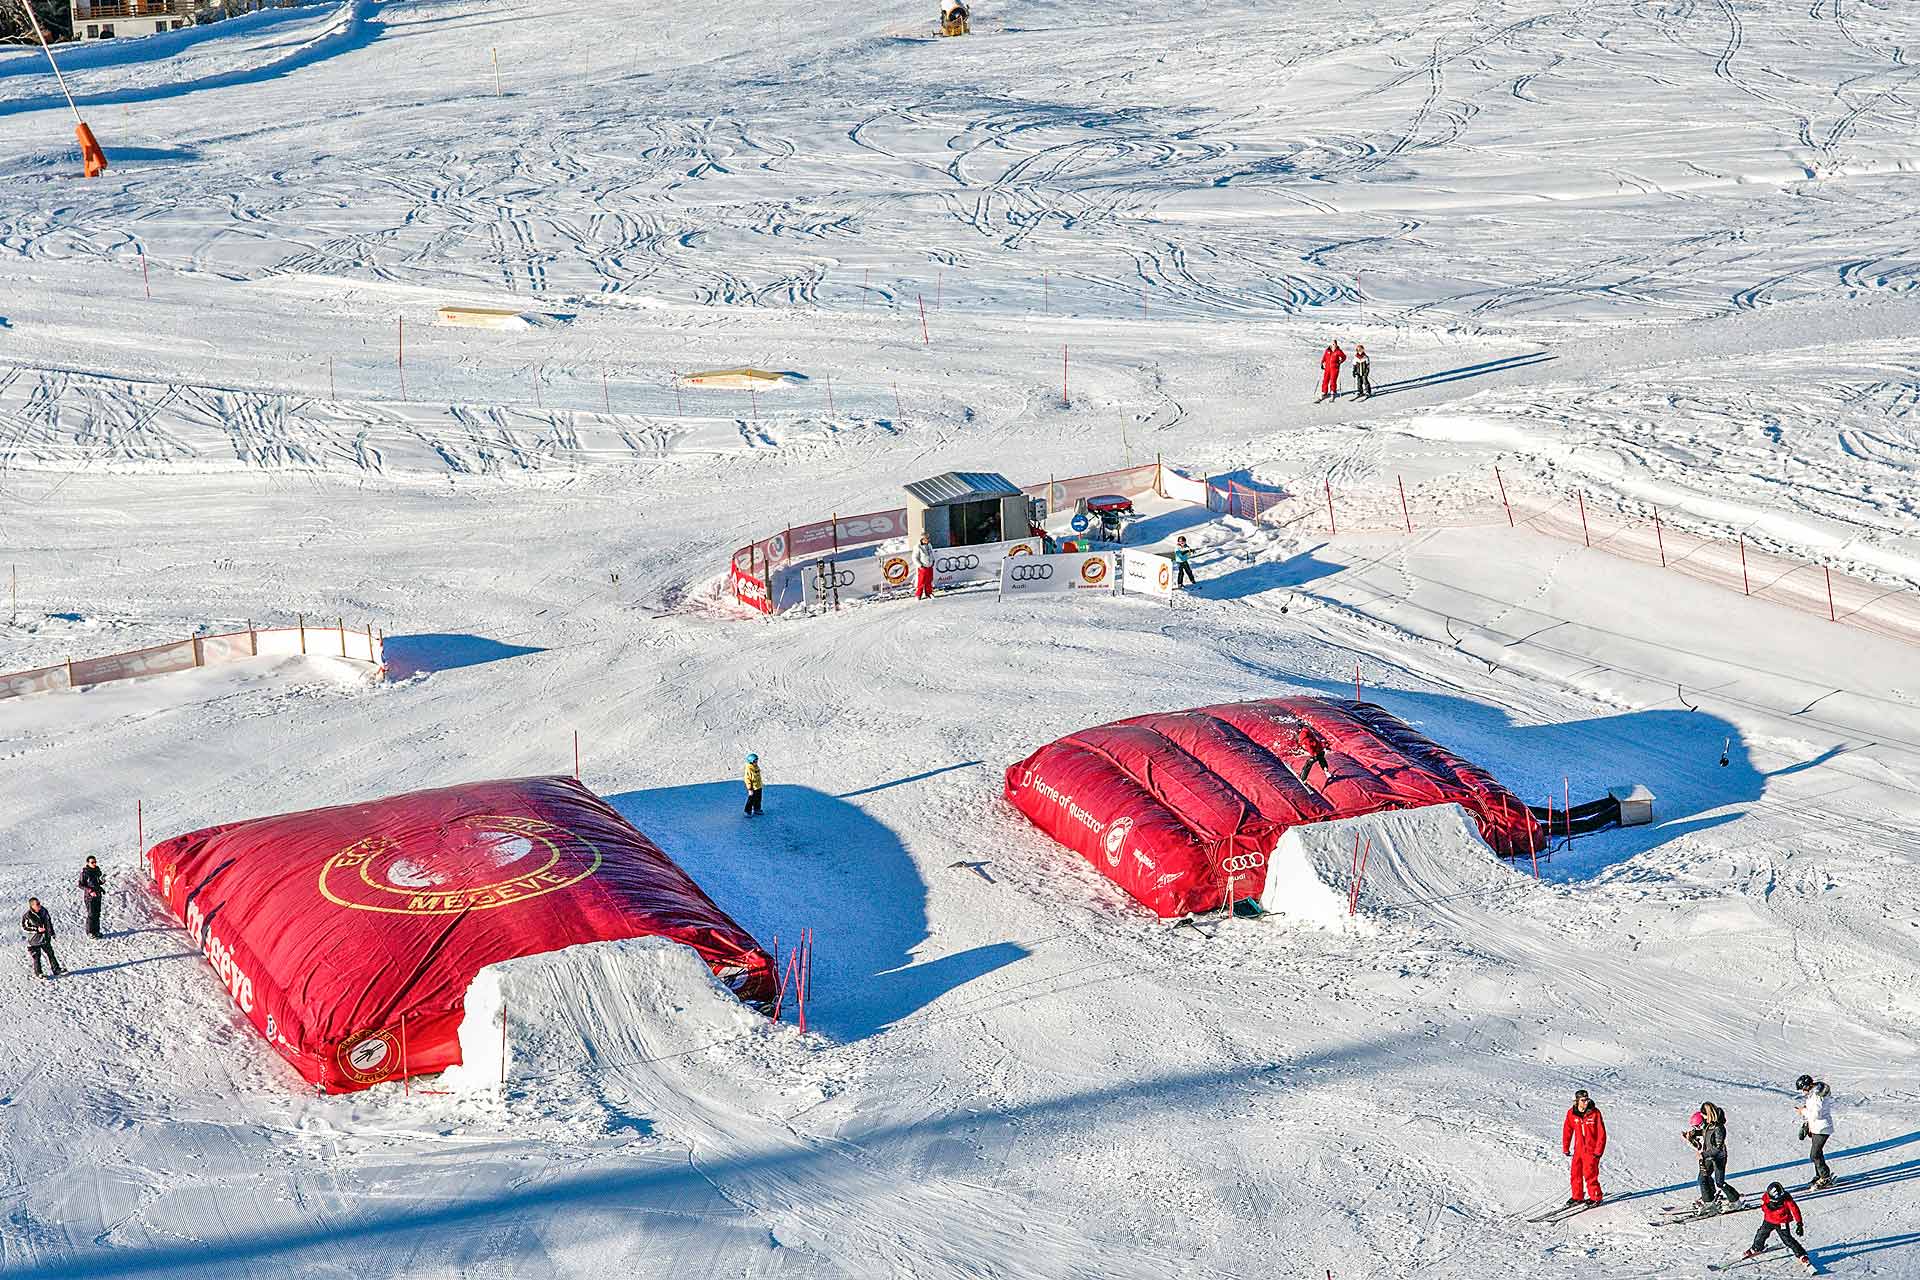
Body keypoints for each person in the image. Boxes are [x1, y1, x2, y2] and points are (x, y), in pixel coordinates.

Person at [1745, 1182, 1813, 1270]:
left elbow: (1795, 1210)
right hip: (1769, 1220)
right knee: (1761, 1234)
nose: (1777, 1201)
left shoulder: (1787, 1199)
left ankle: (1801, 1255)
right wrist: (1768, 1207)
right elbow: (1763, 1207)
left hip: (1782, 1222)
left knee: (1787, 1239)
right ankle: (1757, 1248)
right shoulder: (1766, 1196)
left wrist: (1799, 1224)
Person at [1687, 1102, 1740, 1209]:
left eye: (1704, 1115)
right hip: (1708, 1156)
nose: (1703, 1117)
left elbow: (1718, 1148)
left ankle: (1735, 1200)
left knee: (1719, 1182)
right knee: (1703, 1178)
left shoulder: (1719, 1128)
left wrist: (1703, 1154)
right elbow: (1705, 1132)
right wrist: (1693, 1134)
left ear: (1709, 1114)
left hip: (1718, 1158)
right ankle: (1709, 1200)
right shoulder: (1708, 1124)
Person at [1562, 1088, 1607, 1206]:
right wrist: (1566, 1147)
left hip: (1591, 1151)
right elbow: (1567, 1130)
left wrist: (1598, 1151)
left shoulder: (1595, 1113)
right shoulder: (1572, 1113)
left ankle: (1595, 1197)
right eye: (1583, 1100)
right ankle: (1577, 1197)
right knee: (1575, 1173)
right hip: (1578, 1149)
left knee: (1590, 1174)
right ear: (1576, 1101)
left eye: (1587, 1099)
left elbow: (1601, 1133)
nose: (1586, 1102)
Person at [1794, 1075, 1836, 1188]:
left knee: (1815, 1155)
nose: (1803, 1091)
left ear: (1808, 1086)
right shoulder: (1813, 1094)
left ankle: (1825, 1177)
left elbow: (1816, 1114)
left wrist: (1803, 1111)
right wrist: (1807, 1125)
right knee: (1818, 1153)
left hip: (1822, 1128)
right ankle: (1820, 1175)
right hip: (1816, 1127)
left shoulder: (1817, 1096)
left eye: (1803, 1089)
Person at [22, 897, 63, 979]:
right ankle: (39, 973)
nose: (39, 905)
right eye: (37, 904)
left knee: (51, 954)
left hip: (45, 937)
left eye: (39, 903)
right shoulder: (27, 916)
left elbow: (49, 922)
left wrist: (52, 932)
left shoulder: (44, 911)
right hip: (34, 940)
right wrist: (37, 929)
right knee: (37, 957)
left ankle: (56, 969)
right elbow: (25, 927)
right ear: (32, 906)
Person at [77, 856, 105, 939]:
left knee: (97, 914)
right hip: (89, 897)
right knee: (91, 914)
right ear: (88, 863)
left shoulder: (97, 870)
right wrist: (90, 891)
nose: (94, 864)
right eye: (92, 862)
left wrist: (102, 881)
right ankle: (90, 932)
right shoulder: (85, 872)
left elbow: (98, 882)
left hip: (98, 895)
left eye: (95, 862)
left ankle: (96, 931)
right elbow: (80, 884)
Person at [913, 534, 935, 600]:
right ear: (922, 539)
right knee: (921, 581)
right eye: (926, 538)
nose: (928, 540)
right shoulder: (917, 547)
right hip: (922, 567)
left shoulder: (929, 545)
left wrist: (933, 560)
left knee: (929, 580)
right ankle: (918, 595)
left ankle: (929, 593)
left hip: (929, 566)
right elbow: (914, 557)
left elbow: (931, 554)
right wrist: (920, 565)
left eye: (928, 538)